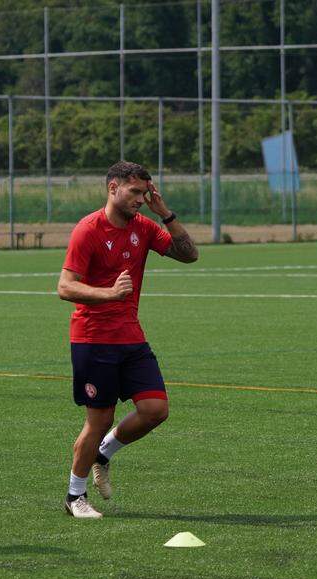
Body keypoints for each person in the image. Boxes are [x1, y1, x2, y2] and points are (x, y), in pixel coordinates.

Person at [56, 161, 198, 518]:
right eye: (135, 192)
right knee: (98, 420)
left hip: (131, 336)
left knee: (155, 410)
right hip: (93, 338)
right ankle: (75, 497)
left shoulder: (145, 228)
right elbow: (65, 287)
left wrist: (166, 214)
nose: (141, 199)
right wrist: (109, 294)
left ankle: (104, 453)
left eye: (145, 193)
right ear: (113, 188)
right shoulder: (88, 230)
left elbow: (189, 255)